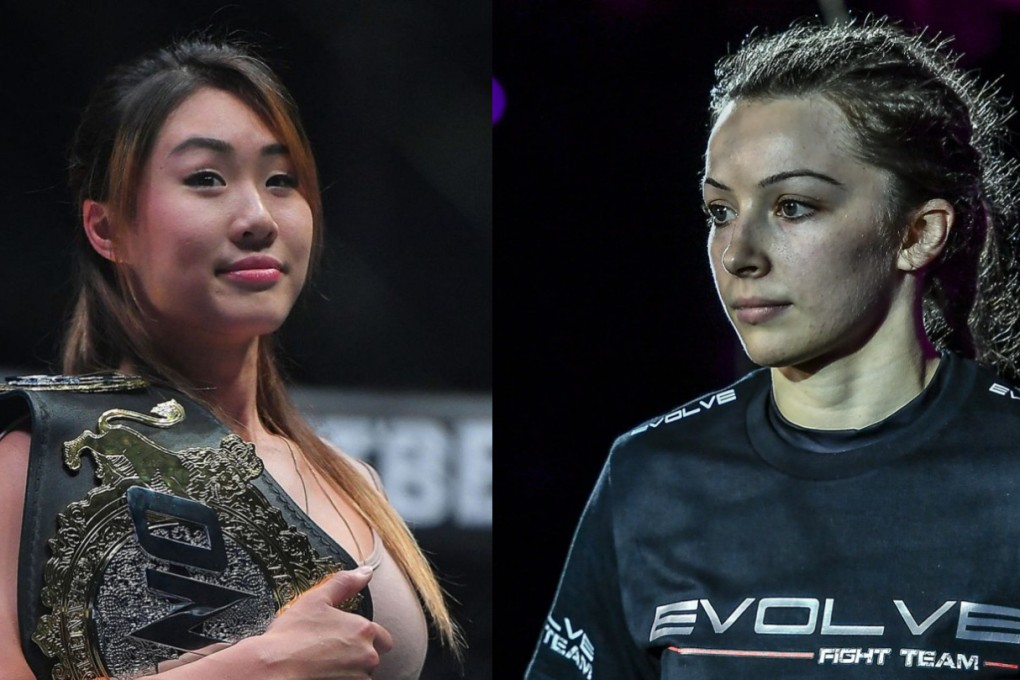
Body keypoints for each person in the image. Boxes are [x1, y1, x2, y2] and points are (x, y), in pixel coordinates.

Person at [525, 15, 1020, 679]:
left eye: (793, 207)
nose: (738, 253)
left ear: (919, 233)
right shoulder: (654, 473)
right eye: (719, 211)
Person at [0, 37, 461, 680]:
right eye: (206, 179)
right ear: (107, 228)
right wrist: (262, 665)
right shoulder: (28, 456)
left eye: (281, 181)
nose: (257, 217)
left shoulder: (355, 485)